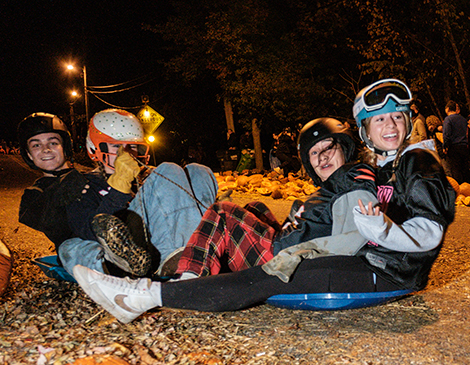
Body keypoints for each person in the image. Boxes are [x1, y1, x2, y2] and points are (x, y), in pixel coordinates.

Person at [73, 78, 455, 324]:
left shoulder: (406, 163)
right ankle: (172, 283)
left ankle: (152, 292)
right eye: (380, 120)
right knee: (255, 213)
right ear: (367, 131)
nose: (390, 126)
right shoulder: (389, 167)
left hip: (379, 270)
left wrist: (383, 231)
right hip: (365, 260)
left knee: (260, 270)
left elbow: (426, 229)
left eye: (396, 118)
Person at [18, 110, 218, 279]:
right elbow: (86, 227)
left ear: (65, 147)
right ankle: (166, 263)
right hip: (94, 240)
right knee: (72, 247)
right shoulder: (75, 184)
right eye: (36, 145)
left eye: (53, 143)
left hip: (149, 235)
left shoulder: (85, 177)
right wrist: (117, 187)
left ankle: (201, 250)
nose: (45, 149)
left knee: (196, 171)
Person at [173, 118, 376, 280]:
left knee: (223, 212)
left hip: (289, 260)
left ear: (344, 149)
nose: (322, 157)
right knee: (256, 207)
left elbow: (350, 240)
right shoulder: (330, 188)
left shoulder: (350, 180)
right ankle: (210, 257)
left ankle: (190, 277)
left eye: (328, 147)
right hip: (287, 246)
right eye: (314, 152)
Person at [442, 100, 470, 183]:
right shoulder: (463, 119)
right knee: (465, 169)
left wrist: (445, 147)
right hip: (464, 146)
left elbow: (446, 134)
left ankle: (460, 190)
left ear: (447, 109)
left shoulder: (448, 119)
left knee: (455, 170)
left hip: (454, 147)